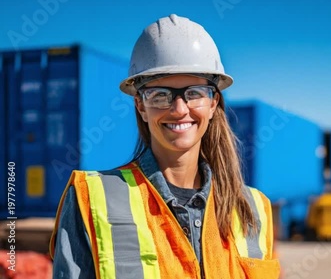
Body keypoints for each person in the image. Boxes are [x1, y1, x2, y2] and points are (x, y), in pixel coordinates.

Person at [50, 14, 280, 279]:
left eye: (194, 93)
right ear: (141, 106)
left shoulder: (253, 208)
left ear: (213, 103)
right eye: (160, 95)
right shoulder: (91, 200)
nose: (179, 109)